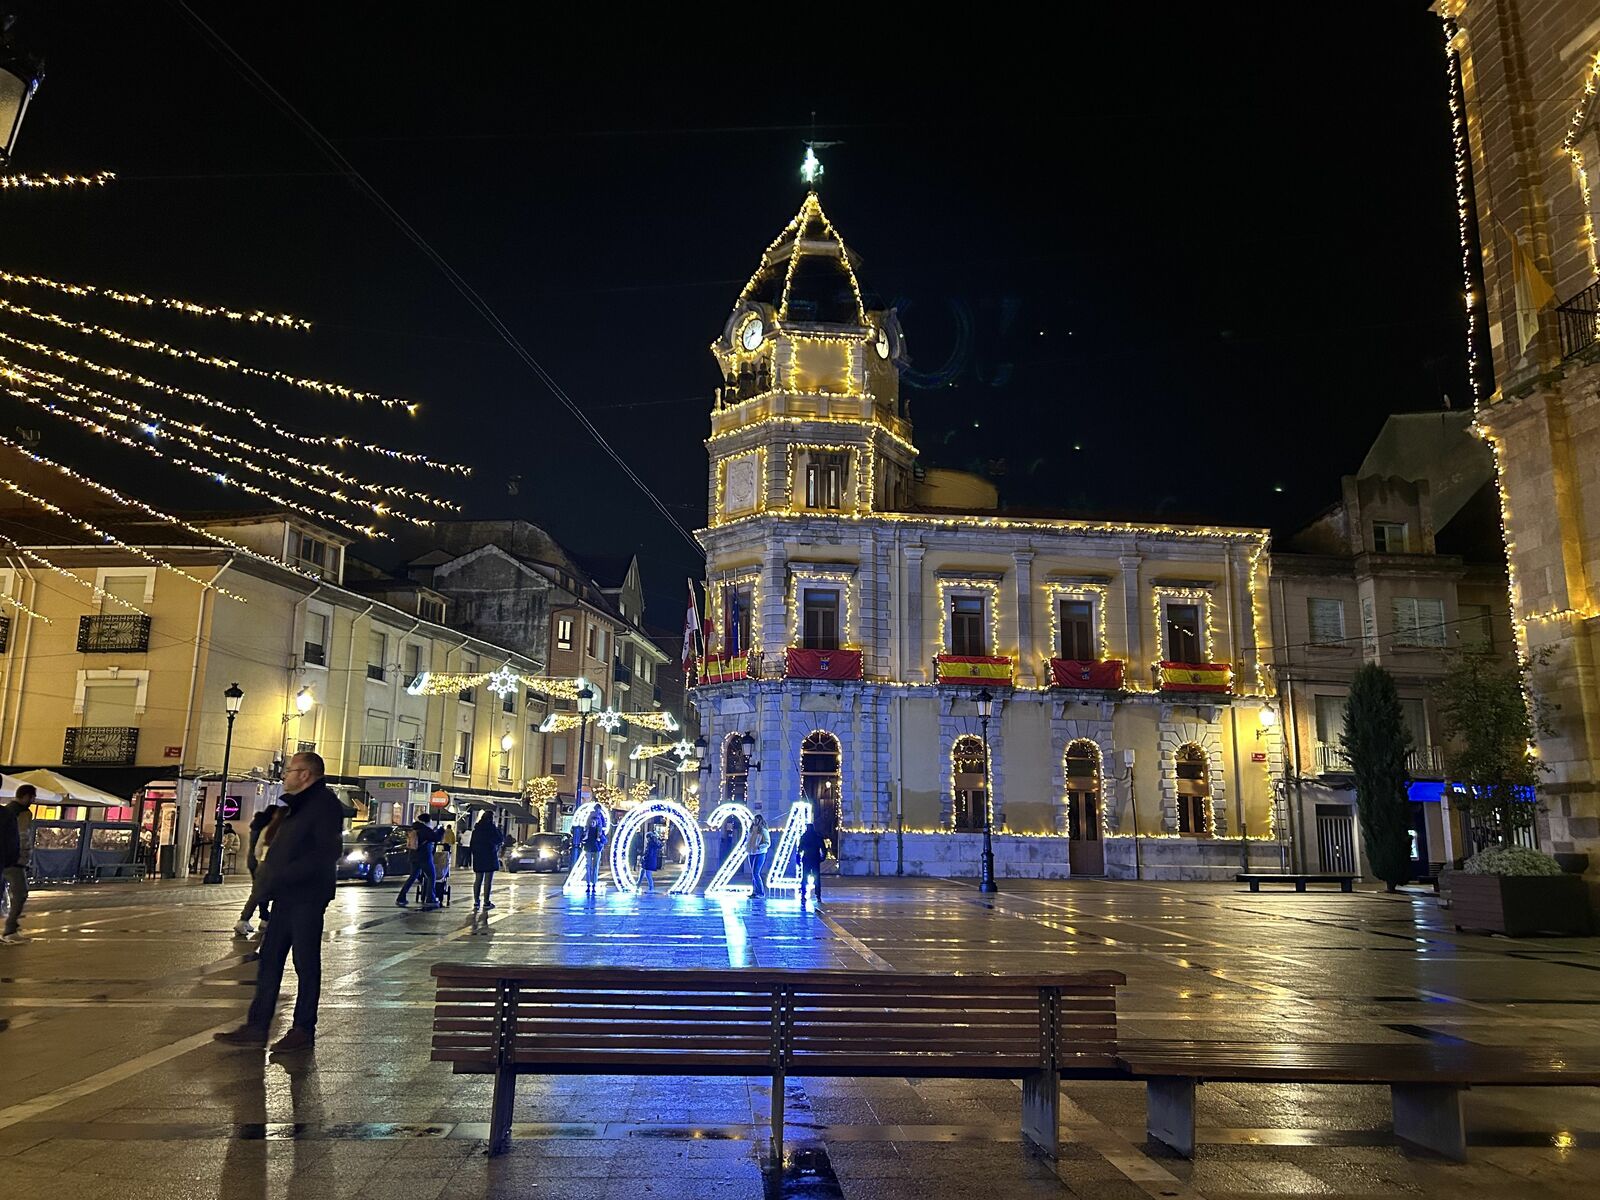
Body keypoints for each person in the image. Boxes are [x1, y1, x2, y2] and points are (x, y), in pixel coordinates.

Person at [213, 752, 342, 1052]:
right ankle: (257, 1026)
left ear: (306, 774)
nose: (284, 775)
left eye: (289, 770)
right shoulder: (293, 806)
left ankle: (302, 1029)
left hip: (307, 896)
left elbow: (326, 852)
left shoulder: (324, 805)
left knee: (305, 964)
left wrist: (286, 874)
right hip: (285, 896)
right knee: (269, 961)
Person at [234, 802, 283, 936]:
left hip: (255, 861)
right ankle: (245, 920)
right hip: (262, 862)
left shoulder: (257, 825)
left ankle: (264, 918)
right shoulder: (269, 828)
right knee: (258, 893)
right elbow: (259, 849)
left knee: (261, 892)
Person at [0, 785, 36, 944]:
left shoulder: (7, 810)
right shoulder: (20, 813)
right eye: (32, 797)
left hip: (4, 860)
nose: (33, 801)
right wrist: (20, 858)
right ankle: (10, 929)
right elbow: (21, 837)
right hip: (13, 861)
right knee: (20, 894)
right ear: (26, 796)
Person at [397, 811, 441, 908]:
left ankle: (401, 897)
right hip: (424, 857)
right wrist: (440, 831)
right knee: (431, 876)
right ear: (427, 821)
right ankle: (430, 898)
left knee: (412, 876)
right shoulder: (425, 830)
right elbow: (436, 838)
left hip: (413, 856)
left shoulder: (414, 828)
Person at [469, 810, 503, 912]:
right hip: (489, 855)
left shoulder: (477, 829)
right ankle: (486, 901)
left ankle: (476, 901)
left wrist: (474, 853)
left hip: (478, 856)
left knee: (478, 879)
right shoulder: (491, 829)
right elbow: (499, 839)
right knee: (488, 880)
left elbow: (472, 843)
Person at [798, 821, 825, 909]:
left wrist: (798, 859)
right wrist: (822, 857)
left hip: (806, 859)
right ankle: (818, 895)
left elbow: (800, 849)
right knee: (817, 878)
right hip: (815, 859)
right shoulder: (817, 836)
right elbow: (823, 848)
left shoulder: (804, 836)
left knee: (804, 878)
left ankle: (803, 895)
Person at [581, 811, 605, 895]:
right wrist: (584, 836)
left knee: (595, 867)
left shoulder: (599, 830)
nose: (593, 821)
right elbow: (582, 838)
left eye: (595, 819)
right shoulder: (587, 829)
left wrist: (600, 837)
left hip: (596, 849)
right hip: (588, 849)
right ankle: (588, 885)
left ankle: (594, 884)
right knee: (588, 867)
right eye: (592, 819)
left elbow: (604, 840)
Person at [746, 814, 770, 898]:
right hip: (751, 852)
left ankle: (760, 893)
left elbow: (767, 843)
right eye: (754, 819)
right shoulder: (751, 830)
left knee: (756, 872)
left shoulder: (763, 830)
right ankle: (755, 892)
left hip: (760, 853)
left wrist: (759, 847)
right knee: (753, 873)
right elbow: (748, 840)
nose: (754, 821)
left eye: (756, 820)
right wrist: (747, 847)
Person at [639, 825, 663, 893]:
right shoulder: (652, 843)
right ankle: (638, 885)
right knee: (642, 872)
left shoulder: (651, 844)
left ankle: (651, 888)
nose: (646, 839)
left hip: (649, 861)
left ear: (649, 838)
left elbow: (649, 853)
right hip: (649, 861)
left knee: (648, 874)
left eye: (647, 838)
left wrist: (644, 857)